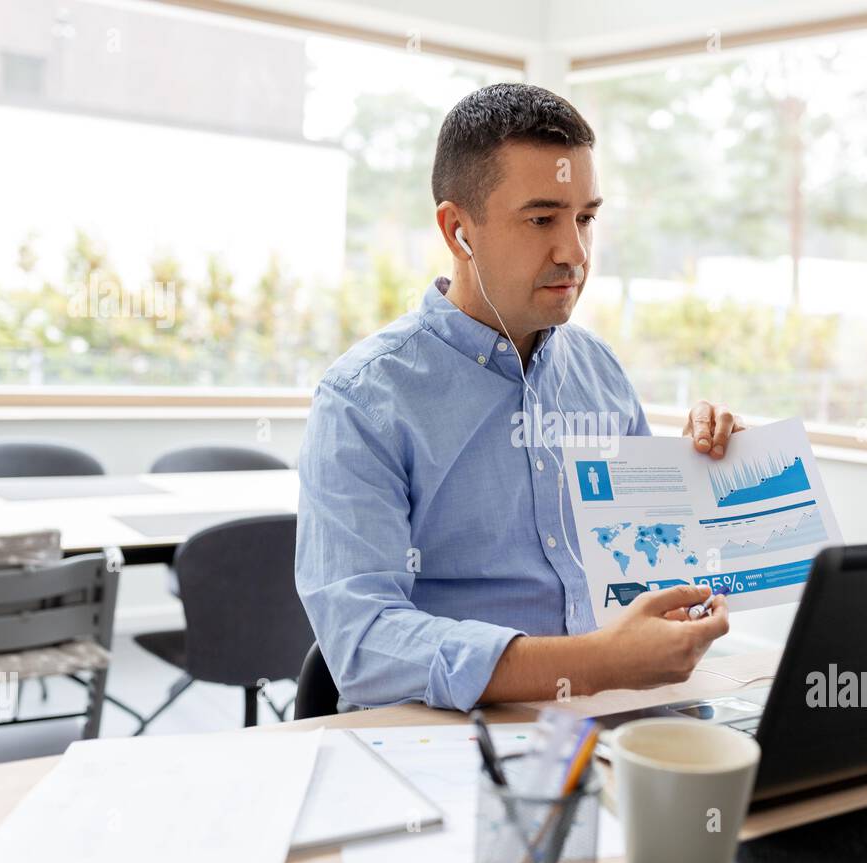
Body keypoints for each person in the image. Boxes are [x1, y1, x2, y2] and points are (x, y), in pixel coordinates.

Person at [296, 83, 745, 711]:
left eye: (585, 217)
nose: (575, 253)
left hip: (624, 717)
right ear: (459, 230)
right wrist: (596, 663)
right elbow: (364, 645)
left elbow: (650, 575)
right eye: (541, 220)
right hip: (460, 747)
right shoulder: (363, 400)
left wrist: (716, 486)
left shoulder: (601, 372)